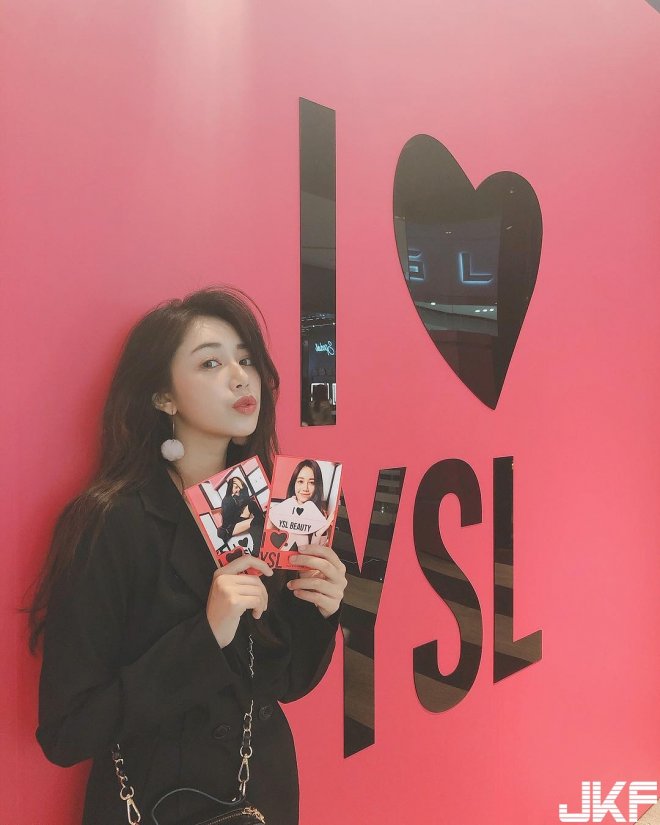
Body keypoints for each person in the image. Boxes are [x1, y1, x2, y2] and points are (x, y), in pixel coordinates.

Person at [26, 287, 347, 825]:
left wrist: (320, 608)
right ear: (163, 397)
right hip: (156, 802)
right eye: (211, 363)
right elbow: (67, 730)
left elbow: (287, 683)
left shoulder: (278, 505)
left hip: (262, 794)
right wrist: (207, 633)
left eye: (246, 360)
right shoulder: (112, 521)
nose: (241, 378)